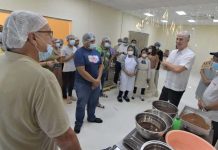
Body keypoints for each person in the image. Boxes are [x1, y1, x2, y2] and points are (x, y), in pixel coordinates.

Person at [0, 11, 80, 150]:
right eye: (49, 33)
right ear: (32, 37)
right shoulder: (42, 78)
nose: (52, 39)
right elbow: (65, 138)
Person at [74, 32, 104, 134]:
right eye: (91, 41)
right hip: (83, 83)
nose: (93, 43)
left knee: (93, 102)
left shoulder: (96, 52)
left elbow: (101, 65)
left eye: (94, 41)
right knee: (81, 104)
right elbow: (81, 70)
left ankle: (91, 117)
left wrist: (98, 79)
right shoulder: (79, 53)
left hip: (96, 82)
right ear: (85, 41)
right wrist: (94, 81)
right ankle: (78, 122)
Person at [159, 31, 195, 107]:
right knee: (160, 105)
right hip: (167, 84)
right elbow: (164, 67)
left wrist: (167, 64)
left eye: (181, 39)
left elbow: (178, 70)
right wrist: (172, 67)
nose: (178, 41)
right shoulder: (173, 52)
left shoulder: (190, 54)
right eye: (177, 39)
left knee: (171, 109)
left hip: (177, 88)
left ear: (187, 40)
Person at [198, 58, 218, 146]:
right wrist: (201, 100)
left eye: (216, 61)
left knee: (208, 141)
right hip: (207, 113)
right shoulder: (217, 76)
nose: (213, 63)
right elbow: (209, 88)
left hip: (215, 118)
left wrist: (206, 107)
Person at [61, 34, 77, 103]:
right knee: (65, 84)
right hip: (66, 69)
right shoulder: (64, 49)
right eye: (71, 39)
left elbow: (76, 58)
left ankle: (70, 95)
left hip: (73, 68)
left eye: (73, 39)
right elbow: (63, 60)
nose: (72, 40)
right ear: (67, 40)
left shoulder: (75, 48)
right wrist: (72, 55)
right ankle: (65, 96)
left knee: (72, 84)